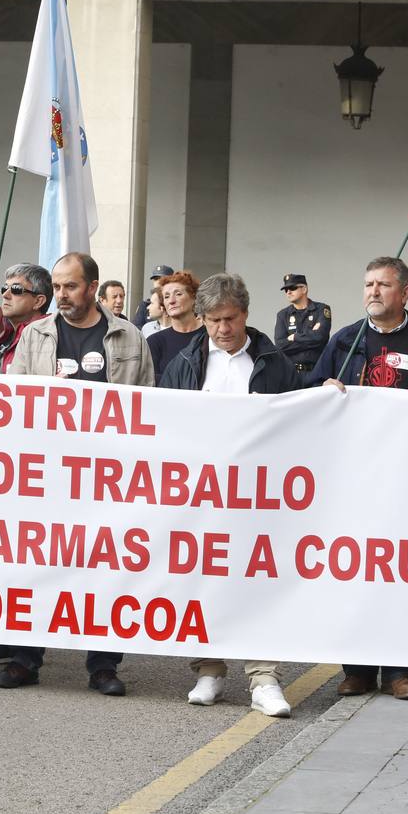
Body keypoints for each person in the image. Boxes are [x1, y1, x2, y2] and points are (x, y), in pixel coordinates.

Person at [308, 256, 408, 701]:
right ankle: (357, 670)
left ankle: (400, 671)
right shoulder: (344, 340)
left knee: (401, 571)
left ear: (405, 293)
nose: (373, 292)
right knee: (355, 569)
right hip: (354, 477)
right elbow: (315, 390)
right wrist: (324, 391)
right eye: (368, 284)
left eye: (382, 285)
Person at [0, 252, 154, 693]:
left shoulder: (129, 337)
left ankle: (103, 666)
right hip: (45, 474)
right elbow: (15, 401)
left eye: (70, 287)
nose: (61, 295)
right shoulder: (35, 336)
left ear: (92, 287)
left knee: (106, 568)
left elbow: (149, 407)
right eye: (58, 287)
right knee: (33, 564)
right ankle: (25, 659)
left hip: (107, 476)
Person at [159, 273, 300, 717]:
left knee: (258, 583)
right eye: (214, 320)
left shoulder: (275, 362)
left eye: (231, 319)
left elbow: (301, 417)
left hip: (258, 495)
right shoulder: (184, 362)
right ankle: (210, 668)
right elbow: (164, 421)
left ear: (245, 314)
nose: (223, 329)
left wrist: (326, 396)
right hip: (199, 495)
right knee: (202, 581)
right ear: (200, 318)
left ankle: (264, 677)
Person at [0, 264, 51, 374]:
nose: (5, 295)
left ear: (38, 301)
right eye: (4, 288)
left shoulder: (49, 337)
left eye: (16, 289)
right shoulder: (6, 333)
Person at [146, 270, 202, 381]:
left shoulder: (209, 337)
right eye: (166, 297)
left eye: (178, 294)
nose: (171, 301)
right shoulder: (154, 341)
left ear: (193, 298)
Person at [273, 274, 332, 375]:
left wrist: (294, 337)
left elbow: (320, 337)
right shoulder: (282, 315)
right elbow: (280, 345)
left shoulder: (321, 310)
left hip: (316, 373)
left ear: (304, 289)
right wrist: (310, 337)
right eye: (286, 290)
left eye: (292, 288)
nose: (288, 292)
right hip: (291, 375)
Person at [131, 264, 173, 328]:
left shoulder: (177, 303)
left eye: (162, 279)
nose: (158, 281)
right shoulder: (145, 305)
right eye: (156, 279)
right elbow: (136, 328)